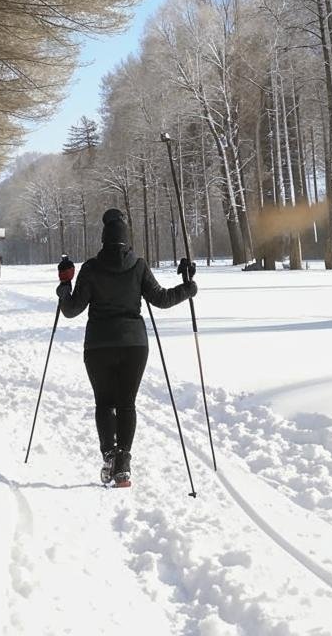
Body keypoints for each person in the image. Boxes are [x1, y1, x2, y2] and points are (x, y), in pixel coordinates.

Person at [57, 208, 196, 488]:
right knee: (127, 403)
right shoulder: (139, 265)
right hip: (134, 345)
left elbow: (71, 310)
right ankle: (123, 465)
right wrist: (189, 287)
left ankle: (109, 454)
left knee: (104, 403)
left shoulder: (91, 268)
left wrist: (64, 285)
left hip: (98, 345)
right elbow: (162, 300)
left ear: (103, 239)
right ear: (127, 240)